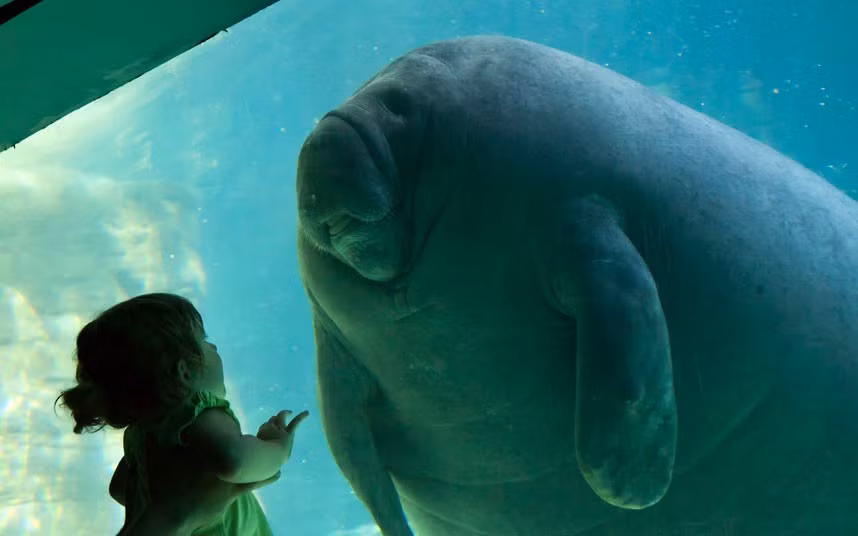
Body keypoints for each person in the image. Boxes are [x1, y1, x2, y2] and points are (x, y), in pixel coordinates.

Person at [55, 293, 309, 535]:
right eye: (202, 340)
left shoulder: (141, 431)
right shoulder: (198, 412)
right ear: (184, 370)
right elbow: (235, 461)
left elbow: (121, 490)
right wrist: (276, 448)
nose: (213, 345)